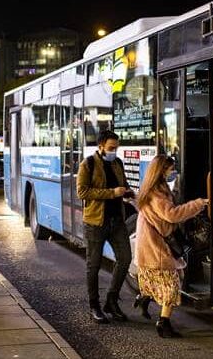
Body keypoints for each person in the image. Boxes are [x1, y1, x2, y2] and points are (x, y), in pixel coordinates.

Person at [135, 155, 208, 338]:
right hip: (155, 246)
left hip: (150, 242)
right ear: (161, 171)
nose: (172, 172)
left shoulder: (154, 188)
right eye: (170, 169)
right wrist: (198, 204)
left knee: (165, 278)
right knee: (172, 286)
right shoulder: (157, 193)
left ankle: (144, 298)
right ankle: (163, 324)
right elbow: (172, 215)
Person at [76, 130, 133, 324]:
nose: (114, 151)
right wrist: (112, 193)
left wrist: (128, 193)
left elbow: (122, 186)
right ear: (100, 146)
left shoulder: (117, 163)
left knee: (125, 258)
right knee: (94, 265)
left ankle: (111, 300)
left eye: (116, 148)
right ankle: (94, 305)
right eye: (111, 148)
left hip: (117, 221)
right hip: (95, 222)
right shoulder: (88, 164)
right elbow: (82, 192)